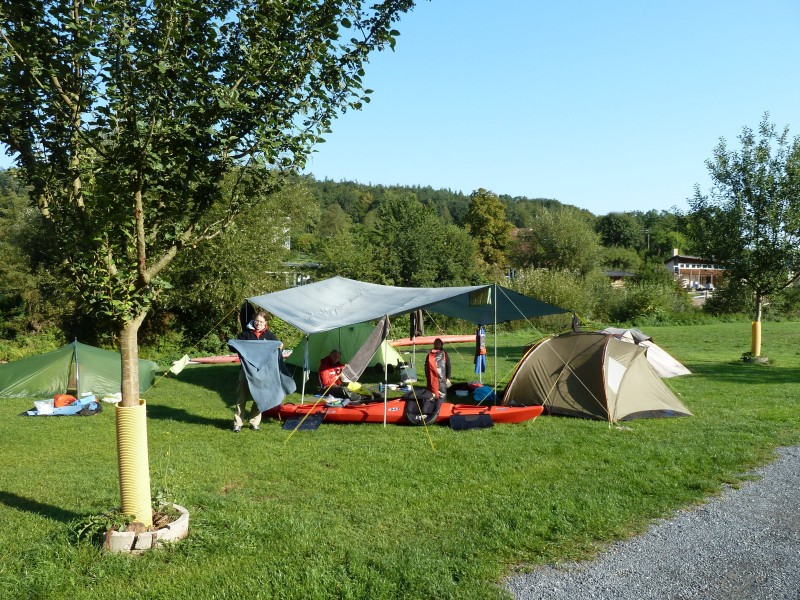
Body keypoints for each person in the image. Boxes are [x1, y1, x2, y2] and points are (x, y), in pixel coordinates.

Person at [234, 310, 282, 432]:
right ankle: (237, 423)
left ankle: (254, 422)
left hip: (262, 372)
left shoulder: (269, 336)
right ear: (253, 321)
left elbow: (277, 348)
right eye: (256, 321)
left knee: (259, 397)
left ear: (265, 323)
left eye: (261, 321)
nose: (258, 323)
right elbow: (233, 346)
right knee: (241, 398)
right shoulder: (245, 334)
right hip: (246, 370)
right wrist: (234, 344)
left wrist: (280, 346)